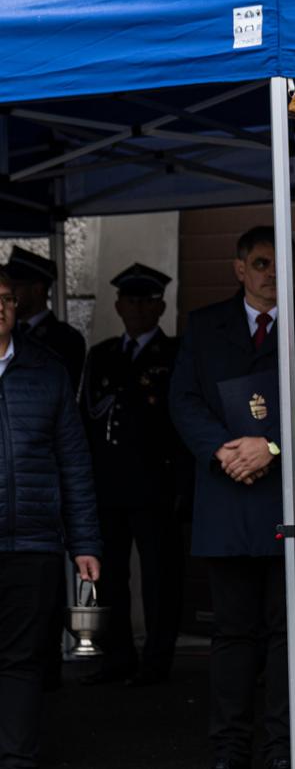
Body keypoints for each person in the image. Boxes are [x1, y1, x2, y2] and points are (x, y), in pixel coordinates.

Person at [170, 226, 295, 769]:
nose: (272, 274)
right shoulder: (204, 326)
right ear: (239, 269)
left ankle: (281, 748)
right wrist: (222, 451)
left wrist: (272, 444)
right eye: (261, 263)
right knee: (231, 634)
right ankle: (228, 747)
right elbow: (184, 400)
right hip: (229, 496)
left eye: (281, 264)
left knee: (290, 635)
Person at [0, 267, 102, 769]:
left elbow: (74, 462)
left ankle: (17, 758)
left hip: (33, 545)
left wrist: (84, 542)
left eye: (5, 298)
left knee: (22, 661)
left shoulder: (46, 369)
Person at [77, 264, 186, 688]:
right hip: (108, 486)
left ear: (160, 305)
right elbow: (89, 419)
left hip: (157, 486)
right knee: (110, 577)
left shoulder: (175, 353)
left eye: (147, 300)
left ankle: (157, 660)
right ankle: (118, 656)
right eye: (131, 300)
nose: (138, 308)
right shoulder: (102, 354)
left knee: (161, 579)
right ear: (119, 305)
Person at [4, 249, 85, 377]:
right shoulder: (6, 331)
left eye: (14, 287)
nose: (8, 295)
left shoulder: (65, 339)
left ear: (37, 290)